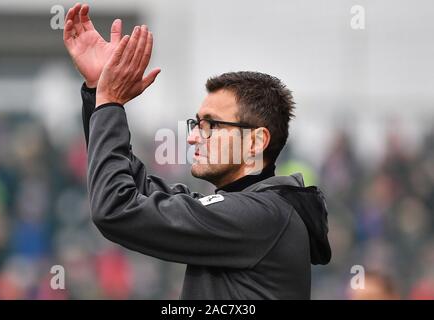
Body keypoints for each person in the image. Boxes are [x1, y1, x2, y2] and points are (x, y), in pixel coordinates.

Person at [63, 3, 331, 299]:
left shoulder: (259, 215)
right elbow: (134, 188)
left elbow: (115, 208)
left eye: (211, 125)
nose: (192, 138)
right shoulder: (249, 211)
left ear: (256, 142)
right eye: (196, 123)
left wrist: (109, 101)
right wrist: (97, 93)